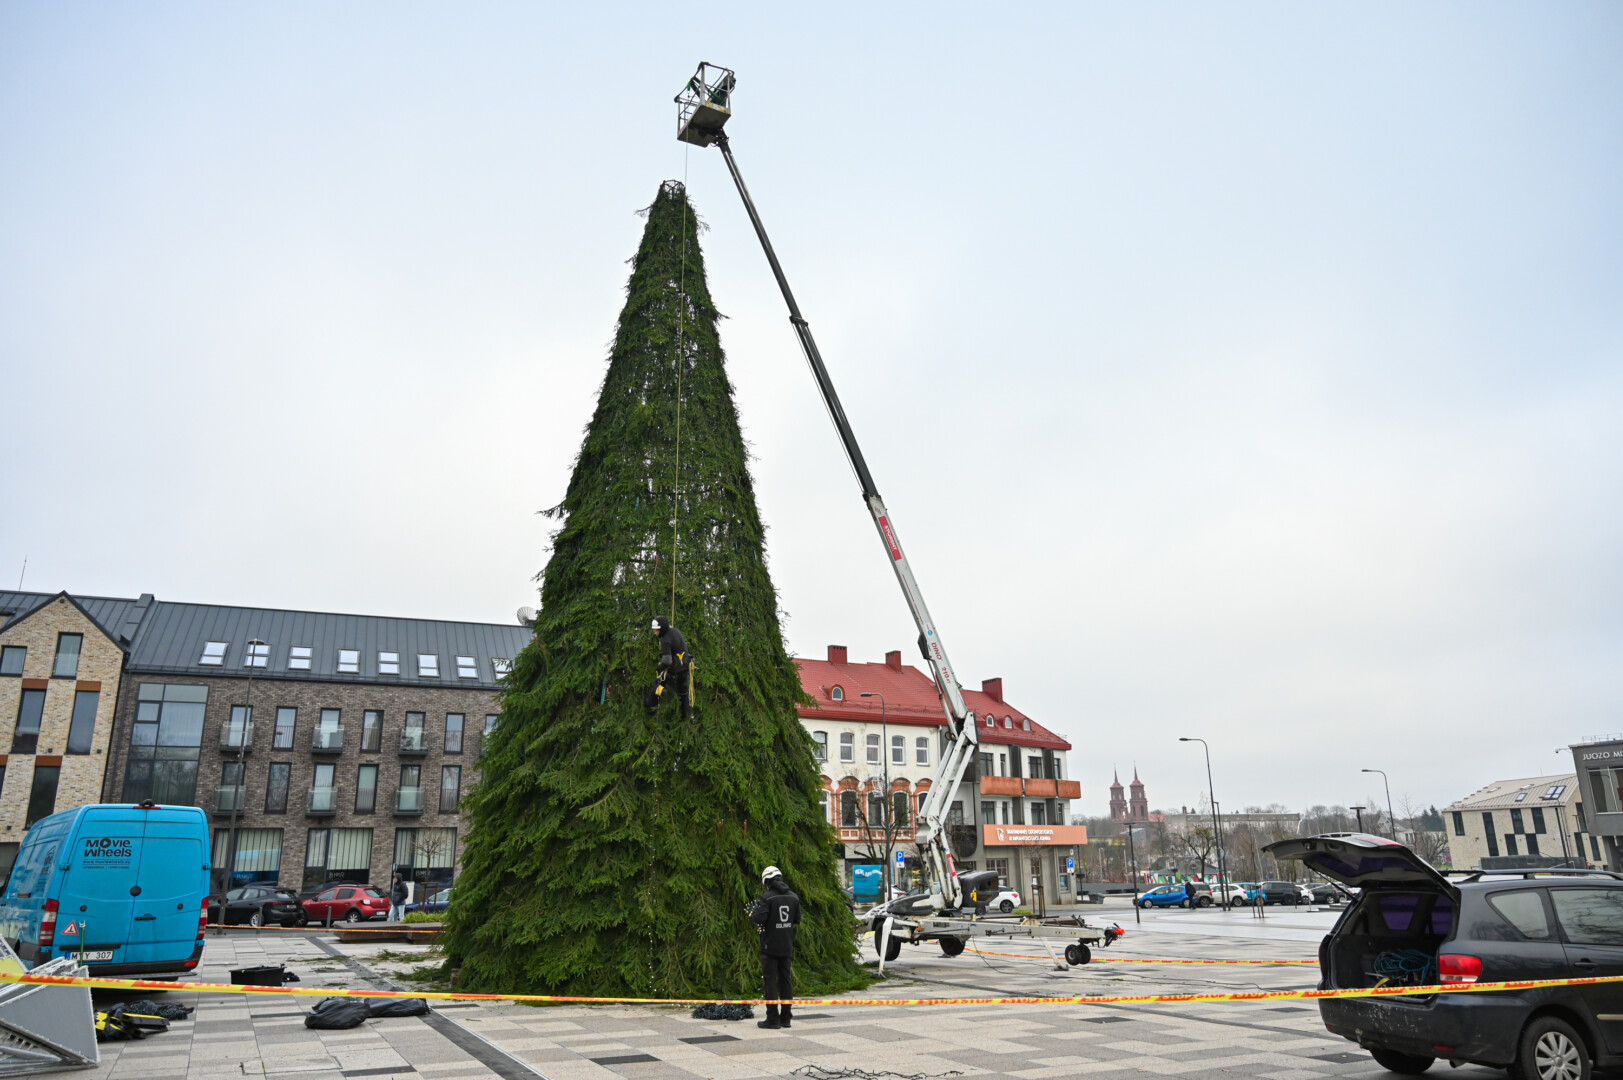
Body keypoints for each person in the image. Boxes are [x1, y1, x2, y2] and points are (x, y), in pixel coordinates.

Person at [750, 865, 800, 1030]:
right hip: (786, 945)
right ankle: (786, 1018)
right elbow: (796, 920)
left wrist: (754, 913)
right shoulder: (794, 897)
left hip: (770, 946)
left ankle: (772, 1019)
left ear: (767, 882)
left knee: (770, 982)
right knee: (786, 980)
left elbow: (759, 919)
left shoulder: (767, 898)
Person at [645, 616, 693, 720]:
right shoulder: (675, 631)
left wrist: (659, 667)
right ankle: (686, 716)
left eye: (657, 630)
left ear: (662, 629)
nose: (655, 633)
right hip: (684, 665)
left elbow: (667, 661)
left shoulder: (665, 640)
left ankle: (651, 706)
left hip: (675, 668)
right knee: (683, 692)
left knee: (659, 684)